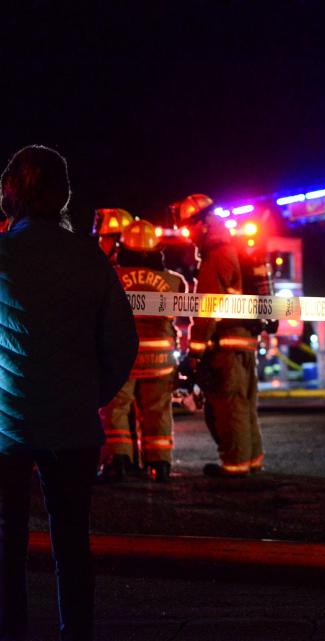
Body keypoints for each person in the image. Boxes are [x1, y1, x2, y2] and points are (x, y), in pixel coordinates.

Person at [0, 145, 137, 641]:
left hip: (5, 431)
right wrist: (89, 395)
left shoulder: (3, 254)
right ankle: (74, 631)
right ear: (63, 195)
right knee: (73, 545)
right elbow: (122, 343)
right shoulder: (90, 258)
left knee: (5, 544)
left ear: (9, 194)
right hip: (74, 431)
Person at [175, 194, 264, 478]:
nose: (189, 235)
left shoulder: (217, 254)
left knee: (228, 407)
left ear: (203, 224)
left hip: (226, 345)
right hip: (244, 341)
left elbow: (206, 308)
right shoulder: (233, 248)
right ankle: (250, 461)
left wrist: (195, 352)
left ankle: (235, 467)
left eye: (190, 228)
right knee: (244, 404)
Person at [98, 220, 188, 483]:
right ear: (156, 249)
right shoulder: (174, 281)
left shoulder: (111, 276)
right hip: (160, 358)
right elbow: (182, 318)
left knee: (115, 408)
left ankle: (118, 461)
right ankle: (159, 464)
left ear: (122, 247)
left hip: (121, 356)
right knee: (158, 409)